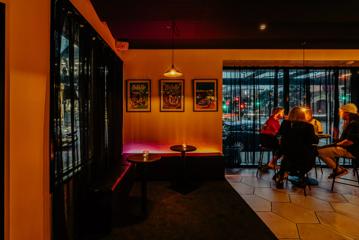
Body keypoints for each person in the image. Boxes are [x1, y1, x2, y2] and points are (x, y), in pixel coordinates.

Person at [275, 106, 319, 188]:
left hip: (288, 155)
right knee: (313, 151)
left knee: (288, 155)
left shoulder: (285, 123)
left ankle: (282, 175)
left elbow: (279, 135)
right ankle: (301, 176)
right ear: (303, 115)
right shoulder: (308, 126)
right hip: (303, 156)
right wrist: (316, 136)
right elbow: (314, 141)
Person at [318, 103, 359, 178]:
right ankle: (340, 169)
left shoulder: (354, 123)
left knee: (319, 152)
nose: (339, 114)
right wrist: (336, 138)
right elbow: (346, 140)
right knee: (322, 149)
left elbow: (349, 142)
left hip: (352, 151)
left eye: (341, 112)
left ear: (347, 113)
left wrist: (336, 145)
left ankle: (339, 170)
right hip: (350, 149)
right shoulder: (352, 122)